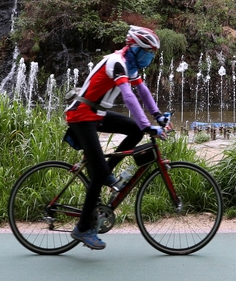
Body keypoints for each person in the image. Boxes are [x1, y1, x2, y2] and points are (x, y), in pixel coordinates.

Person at [65, 25, 169, 250]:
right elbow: (129, 97)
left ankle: (104, 171)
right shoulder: (117, 62)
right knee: (102, 170)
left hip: (97, 114)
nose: (150, 57)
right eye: (148, 52)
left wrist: (158, 117)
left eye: (153, 53)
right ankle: (82, 228)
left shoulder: (131, 67)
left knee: (135, 130)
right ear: (134, 48)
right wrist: (148, 126)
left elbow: (142, 92)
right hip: (81, 115)